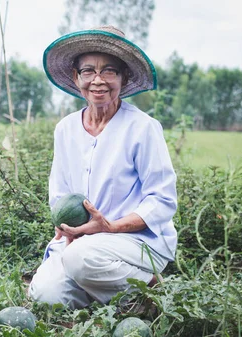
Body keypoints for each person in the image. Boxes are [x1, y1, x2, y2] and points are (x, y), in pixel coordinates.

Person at [28, 25, 178, 309]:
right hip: (82, 245)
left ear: (124, 78)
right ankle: (111, 289)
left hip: (135, 241)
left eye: (109, 71)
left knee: (79, 259)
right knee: (45, 295)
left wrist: (110, 227)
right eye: (88, 71)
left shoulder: (143, 128)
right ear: (76, 77)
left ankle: (150, 289)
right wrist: (72, 231)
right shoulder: (65, 129)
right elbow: (59, 195)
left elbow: (162, 201)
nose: (98, 80)